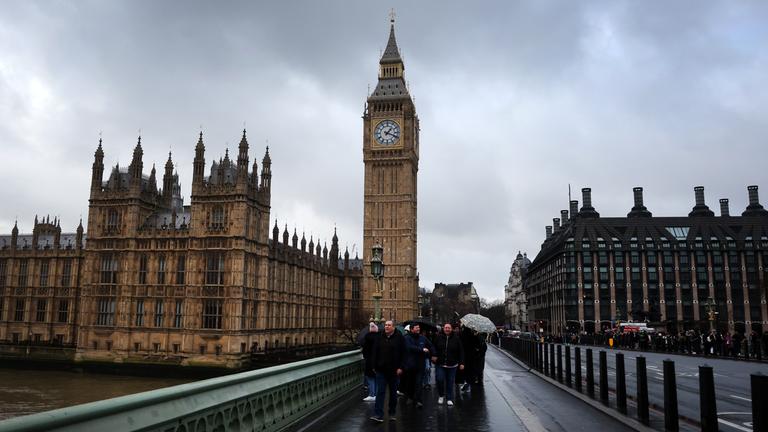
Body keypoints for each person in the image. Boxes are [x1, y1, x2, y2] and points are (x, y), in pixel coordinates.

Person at [370, 320, 405, 423]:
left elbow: (404, 353)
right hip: (381, 369)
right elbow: (374, 351)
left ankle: (392, 412)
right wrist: (373, 365)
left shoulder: (399, 338)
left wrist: (401, 367)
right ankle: (378, 414)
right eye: (385, 325)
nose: (387, 327)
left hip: (394, 370)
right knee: (380, 392)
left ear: (393, 327)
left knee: (393, 393)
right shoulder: (379, 337)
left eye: (389, 325)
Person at [401, 323, 433, 408]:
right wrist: (422, 350)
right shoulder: (406, 338)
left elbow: (430, 346)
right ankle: (410, 397)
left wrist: (434, 354)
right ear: (412, 329)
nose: (418, 329)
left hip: (420, 365)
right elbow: (409, 347)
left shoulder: (423, 338)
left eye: (419, 328)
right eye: (416, 328)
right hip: (410, 365)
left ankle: (418, 400)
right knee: (410, 383)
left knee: (419, 383)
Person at [432, 322, 464, 407]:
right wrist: (434, 355)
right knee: (439, 379)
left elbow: (461, 351)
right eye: (446, 327)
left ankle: (449, 398)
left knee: (450, 381)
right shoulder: (438, 337)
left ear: (451, 329)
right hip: (440, 363)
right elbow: (433, 347)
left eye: (448, 328)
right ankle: (441, 395)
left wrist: (461, 363)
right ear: (443, 328)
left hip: (452, 364)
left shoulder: (456, 339)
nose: (447, 329)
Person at [361, 322, 379, 401]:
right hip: (378, 361)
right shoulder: (380, 337)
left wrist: (366, 356)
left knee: (370, 377)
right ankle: (377, 394)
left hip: (370, 360)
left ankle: (372, 394)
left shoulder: (367, 337)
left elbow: (364, 350)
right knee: (376, 378)